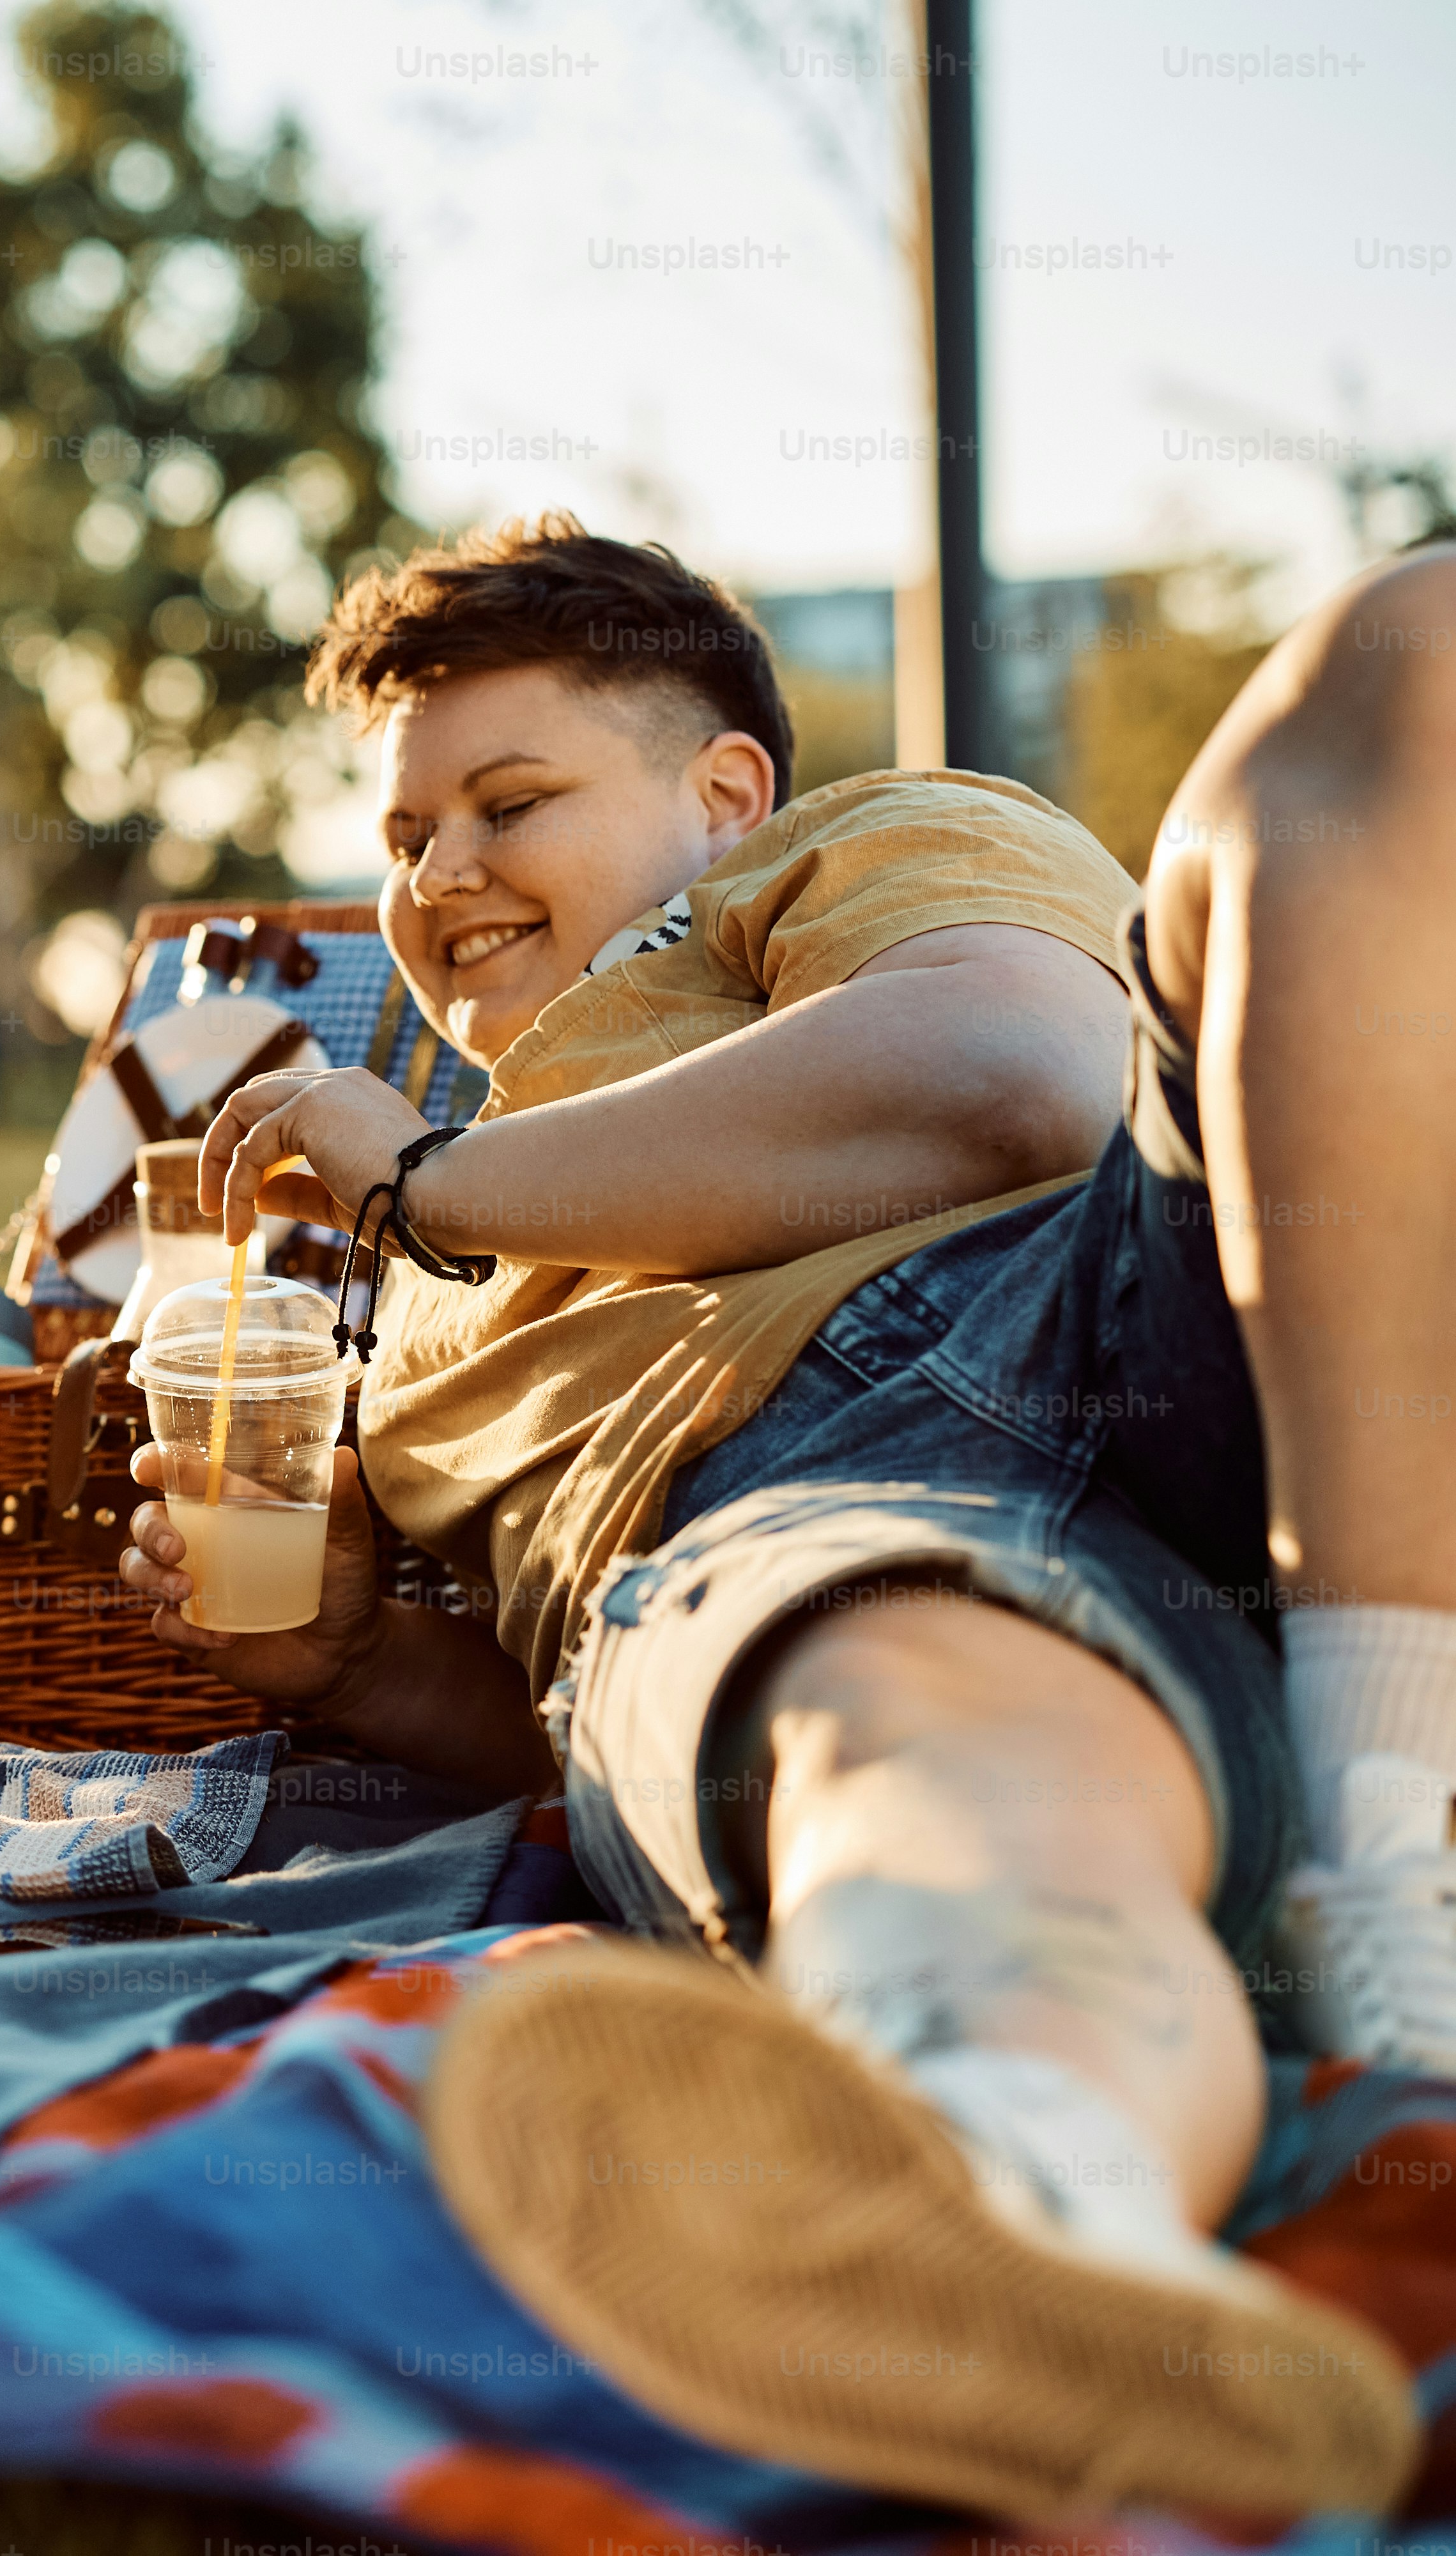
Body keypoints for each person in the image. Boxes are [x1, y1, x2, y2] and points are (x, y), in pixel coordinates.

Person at [114, 514, 1454, 2518]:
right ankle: (1036, 2219)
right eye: (405, 839)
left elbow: (1016, 1077)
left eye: (510, 800)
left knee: (1403, 649)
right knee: (905, 1727)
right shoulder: (393, 1325)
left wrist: (435, 1185)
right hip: (783, 1522)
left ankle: (1396, 1855)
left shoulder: (833, 862)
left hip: (1131, 1290)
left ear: (721, 792)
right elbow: (600, 1732)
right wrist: (356, 1660)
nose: (441, 876)